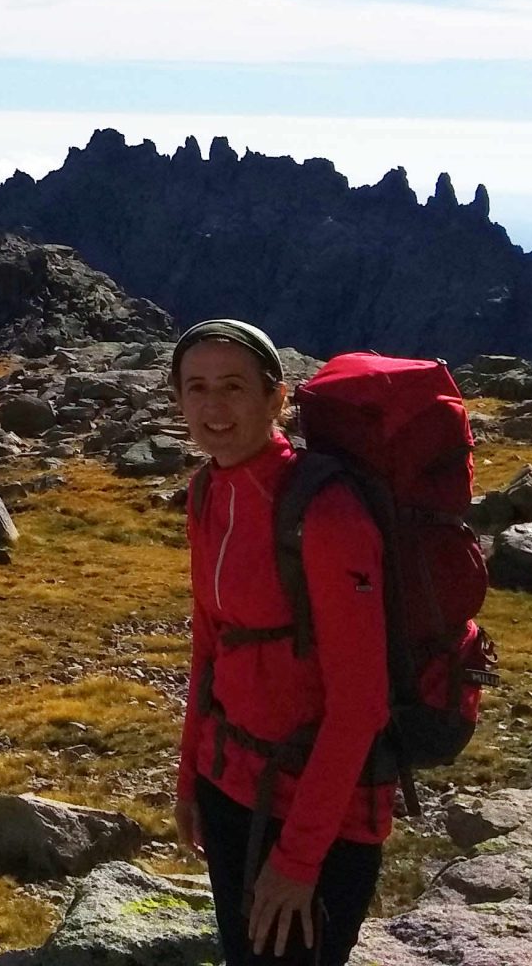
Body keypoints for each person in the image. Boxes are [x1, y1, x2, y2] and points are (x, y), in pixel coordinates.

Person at [172, 319, 391, 966]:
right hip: (228, 788)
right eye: (197, 388)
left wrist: (297, 862)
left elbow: (361, 706)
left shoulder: (325, 514)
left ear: (277, 398)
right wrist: (191, 778)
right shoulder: (207, 490)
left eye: (235, 387)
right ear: (179, 400)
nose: (214, 408)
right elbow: (209, 645)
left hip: (319, 817)